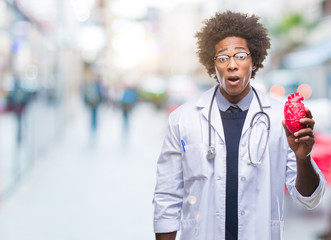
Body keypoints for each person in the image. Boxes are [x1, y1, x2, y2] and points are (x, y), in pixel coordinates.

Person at [153, 11, 326, 240]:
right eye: (223, 58)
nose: (232, 65)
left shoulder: (278, 119)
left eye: (241, 56)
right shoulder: (183, 119)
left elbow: (309, 198)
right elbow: (166, 197)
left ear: (254, 61)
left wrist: (303, 157)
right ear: (212, 65)